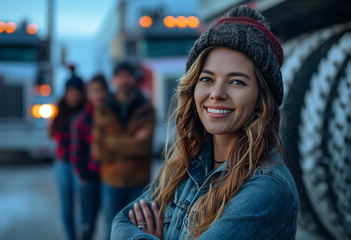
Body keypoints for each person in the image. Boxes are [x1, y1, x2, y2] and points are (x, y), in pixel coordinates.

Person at [111, 5, 299, 240]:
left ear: (262, 99)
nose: (216, 93)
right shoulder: (185, 165)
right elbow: (119, 223)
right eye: (207, 79)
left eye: (237, 82)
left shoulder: (267, 188)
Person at [92, 61, 156, 239]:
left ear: (134, 79)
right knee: (110, 231)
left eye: (128, 76)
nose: (124, 80)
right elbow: (98, 151)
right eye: (120, 77)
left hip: (139, 183)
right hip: (111, 182)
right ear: (114, 80)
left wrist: (111, 141)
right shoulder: (104, 109)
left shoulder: (146, 109)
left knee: (137, 231)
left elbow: (143, 147)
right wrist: (132, 141)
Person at [70, 74, 109, 240]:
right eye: (94, 91)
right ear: (88, 94)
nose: (98, 94)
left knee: (111, 222)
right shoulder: (82, 119)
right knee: (87, 225)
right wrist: (82, 176)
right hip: (90, 177)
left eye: (101, 90)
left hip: (110, 177)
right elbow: (76, 152)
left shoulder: (112, 115)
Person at [48, 67, 84, 240]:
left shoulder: (86, 112)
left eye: (77, 92)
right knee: (66, 204)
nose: (74, 96)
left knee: (82, 205)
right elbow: (51, 133)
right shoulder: (59, 110)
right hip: (63, 163)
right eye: (70, 92)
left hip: (80, 163)